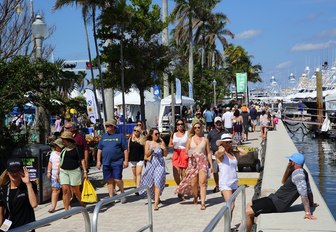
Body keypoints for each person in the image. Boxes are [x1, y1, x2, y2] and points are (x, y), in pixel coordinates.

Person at [245, 153, 318, 232]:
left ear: (293, 162)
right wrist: (311, 203)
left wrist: (308, 212)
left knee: (247, 212)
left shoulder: (298, 174)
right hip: (273, 199)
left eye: (290, 160)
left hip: (277, 204)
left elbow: (304, 194)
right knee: (249, 204)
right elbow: (309, 190)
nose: (288, 162)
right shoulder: (302, 172)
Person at [176, 122, 213, 210]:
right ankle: (196, 196)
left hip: (203, 162)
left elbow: (208, 153)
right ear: (193, 129)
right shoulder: (190, 139)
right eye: (195, 127)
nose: (197, 129)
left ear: (201, 128)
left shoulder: (205, 139)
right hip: (192, 162)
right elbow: (186, 151)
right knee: (193, 183)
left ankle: (203, 203)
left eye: (198, 127)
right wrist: (189, 153)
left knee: (202, 182)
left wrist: (211, 165)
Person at [215, 133, 248, 218]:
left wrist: (236, 147)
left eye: (230, 142)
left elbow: (245, 153)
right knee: (231, 205)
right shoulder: (220, 154)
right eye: (226, 142)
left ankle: (228, 226)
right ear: (222, 143)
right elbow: (219, 153)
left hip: (234, 181)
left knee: (232, 206)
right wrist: (221, 147)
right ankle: (227, 228)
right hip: (225, 183)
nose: (228, 144)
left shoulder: (233, 153)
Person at [0, 158, 38, 230]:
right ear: (7, 172)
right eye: (12, 171)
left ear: (22, 171)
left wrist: (28, 183)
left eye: (17, 171)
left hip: (26, 227)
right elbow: (0, 215)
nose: (15, 173)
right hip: (9, 228)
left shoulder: (30, 185)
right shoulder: (3, 190)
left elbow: (34, 204)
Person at [96, 119, 128, 202]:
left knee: (117, 179)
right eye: (106, 126)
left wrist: (126, 160)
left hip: (117, 162)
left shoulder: (120, 136)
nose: (106, 127)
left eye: (108, 126)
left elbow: (125, 149)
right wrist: (98, 161)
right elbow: (99, 149)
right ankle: (111, 197)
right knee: (109, 180)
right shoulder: (104, 136)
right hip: (106, 162)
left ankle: (122, 193)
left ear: (113, 127)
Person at [139, 128, 167, 211]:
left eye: (158, 133)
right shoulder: (148, 142)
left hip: (160, 165)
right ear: (151, 135)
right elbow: (146, 154)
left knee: (157, 181)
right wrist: (152, 148)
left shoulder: (161, 142)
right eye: (156, 134)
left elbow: (165, 155)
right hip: (151, 164)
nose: (157, 135)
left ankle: (156, 204)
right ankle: (155, 197)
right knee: (150, 182)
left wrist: (164, 148)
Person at [59, 131, 87, 211]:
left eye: (63, 139)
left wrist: (85, 171)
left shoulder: (77, 148)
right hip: (63, 171)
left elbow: (82, 160)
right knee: (65, 190)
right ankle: (66, 209)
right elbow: (61, 161)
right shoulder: (63, 149)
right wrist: (58, 173)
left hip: (74, 171)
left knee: (75, 190)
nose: (62, 141)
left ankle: (81, 202)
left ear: (68, 140)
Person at [168, 119, 189, 198]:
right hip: (176, 153)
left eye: (181, 124)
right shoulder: (173, 134)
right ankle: (179, 187)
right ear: (176, 126)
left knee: (184, 174)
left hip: (184, 153)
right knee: (176, 173)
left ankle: (181, 190)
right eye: (178, 124)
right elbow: (169, 145)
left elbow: (189, 143)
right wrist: (173, 145)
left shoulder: (187, 133)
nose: (180, 125)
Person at [207, 116, 226, 193]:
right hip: (214, 155)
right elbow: (207, 142)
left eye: (220, 122)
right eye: (217, 123)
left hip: (223, 155)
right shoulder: (211, 133)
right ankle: (217, 185)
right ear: (214, 124)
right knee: (215, 172)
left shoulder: (225, 132)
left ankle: (223, 186)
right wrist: (208, 151)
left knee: (223, 171)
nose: (219, 124)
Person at [47, 138, 64, 213]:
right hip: (54, 174)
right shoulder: (52, 153)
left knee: (65, 191)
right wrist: (48, 171)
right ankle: (53, 207)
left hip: (63, 174)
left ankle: (67, 205)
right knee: (55, 190)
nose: (56, 147)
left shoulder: (63, 153)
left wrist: (58, 173)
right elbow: (50, 162)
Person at [128, 126, 145, 193]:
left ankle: (138, 188)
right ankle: (136, 186)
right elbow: (128, 149)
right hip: (132, 158)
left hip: (140, 158)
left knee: (139, 173)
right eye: (134, 130)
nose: (136, 132)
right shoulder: (130, 138)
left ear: (140, 132)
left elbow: (144, 148)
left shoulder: (142, 139)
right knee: (134, 174)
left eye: (137, 131)